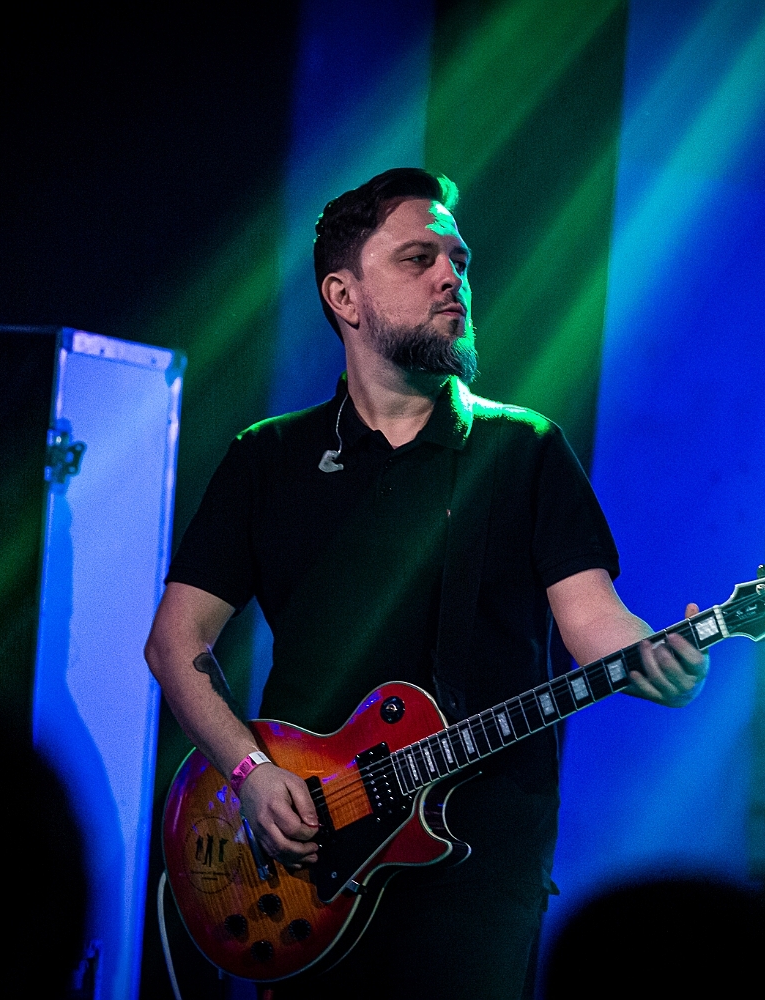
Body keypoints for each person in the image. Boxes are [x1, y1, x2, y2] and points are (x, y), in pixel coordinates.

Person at [145, 166, 707, 998]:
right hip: (306, 857)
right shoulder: (267, 458)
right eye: (419, 259)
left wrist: (658, 657)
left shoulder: (523, 450)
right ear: (344, 295)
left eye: (459, 260)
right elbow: (174, 642)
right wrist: (248, 773)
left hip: (478, 869)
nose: (452, 278)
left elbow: (594, 622)